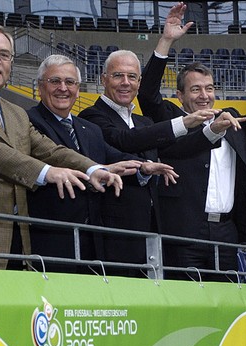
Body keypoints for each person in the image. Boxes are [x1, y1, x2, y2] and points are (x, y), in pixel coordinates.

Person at [0, 25, 123, 270]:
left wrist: (93, 169)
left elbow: (50, 150)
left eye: (4, 55)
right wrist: (47, 172)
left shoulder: (15, 113)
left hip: (16, 245)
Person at [137, 2, 246, 280]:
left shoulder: (230, 120)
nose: (203, 96)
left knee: (224, 308)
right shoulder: (170, 118)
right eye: (195, 89)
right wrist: (166, 40)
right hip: (183, 233)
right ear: (180, 95)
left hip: (226, 233)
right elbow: (148, 95)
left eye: (209, 89)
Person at [26, 54, 177, 275]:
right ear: (40, 86)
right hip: (51, 238)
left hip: (94, 241)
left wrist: (143, 167)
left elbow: (113, 158)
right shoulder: (28, 121)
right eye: (55, 81)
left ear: (78, 90)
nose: (63, 88)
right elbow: (61, 160)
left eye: (70, 82)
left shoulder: (88, 129)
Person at [79, 48, 222, 275]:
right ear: (103, 79)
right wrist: (184, 123)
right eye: (118, 76)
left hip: (153, 235)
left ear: (139, 82)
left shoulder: (144, 122)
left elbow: (177, 149)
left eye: (132, 77)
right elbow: (125, 141)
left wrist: (214, 131)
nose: (126, 83)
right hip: (113, 236)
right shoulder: (91, 117)